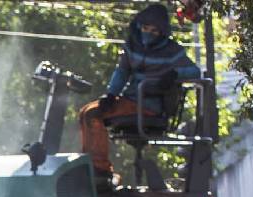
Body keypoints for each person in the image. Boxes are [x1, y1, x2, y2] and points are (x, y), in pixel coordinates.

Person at [78, 3, 200, 187]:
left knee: (92, 115)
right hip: (130, 100)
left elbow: (194, 72)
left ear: (162, 32)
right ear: (138, 26)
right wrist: (111, 95)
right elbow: (122, 72)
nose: (148, 33)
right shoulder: (132, 46)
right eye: (145, 28)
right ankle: (91, 168)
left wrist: (175, 74)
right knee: (86, 111)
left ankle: (100, 171)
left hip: (149, 106)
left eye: (154, 30)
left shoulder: (172, 51)